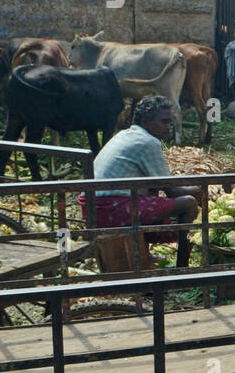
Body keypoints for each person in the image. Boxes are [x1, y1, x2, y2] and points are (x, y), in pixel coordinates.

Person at [83, 95, 199, 268]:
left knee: (151, 193)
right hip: (108, 209)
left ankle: (143, 253)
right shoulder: (148, 142)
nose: (169, 127)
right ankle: (182, 265)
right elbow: (172, 191)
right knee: (189, 203)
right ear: (145, 121)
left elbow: (159, 185)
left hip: (93, 207)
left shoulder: (125, 134)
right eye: (164, 122)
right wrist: (200, 190)